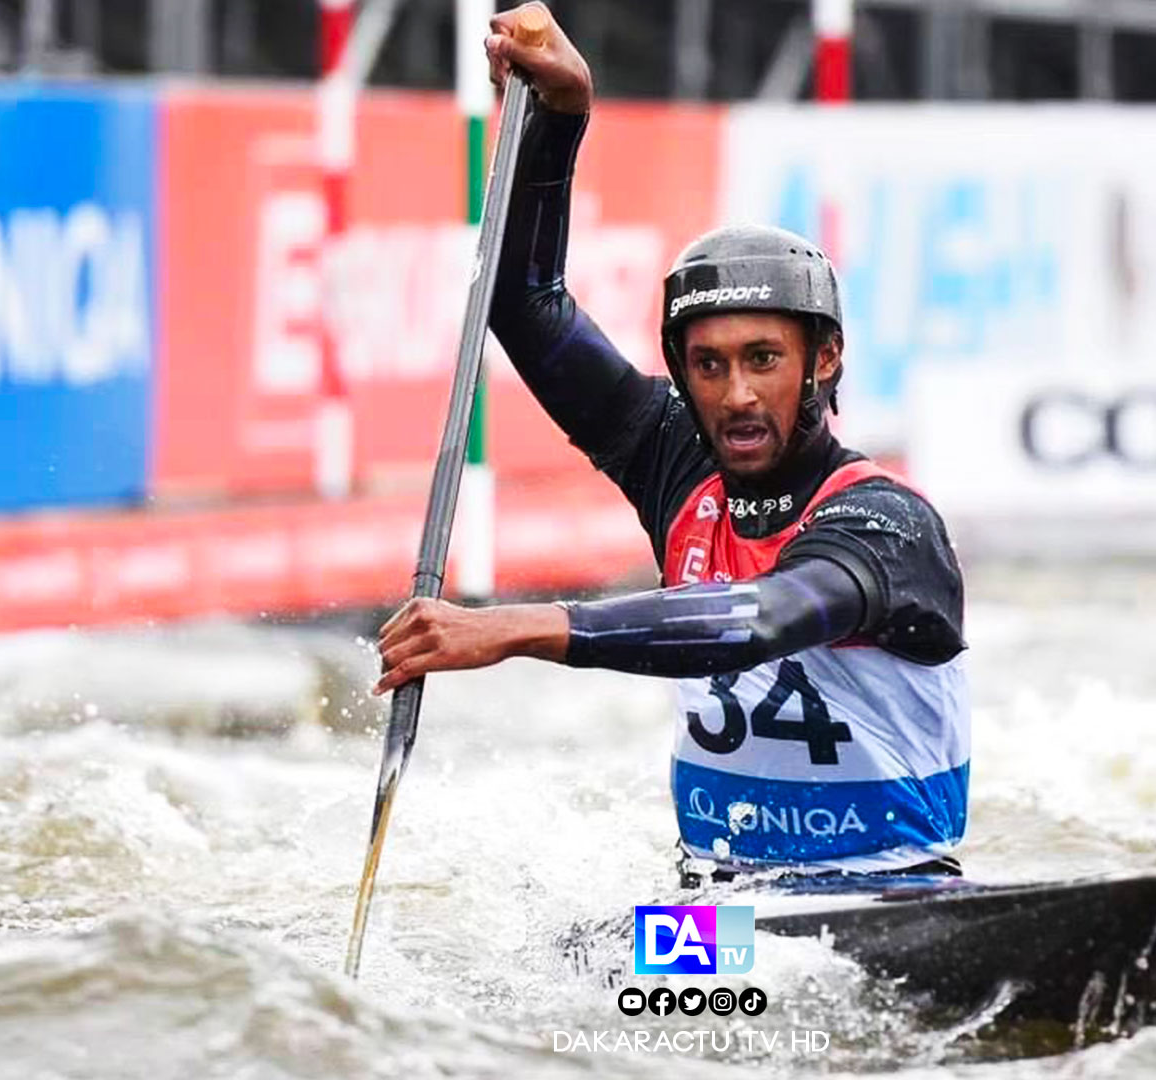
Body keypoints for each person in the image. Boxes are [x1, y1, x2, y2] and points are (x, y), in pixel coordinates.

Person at [374, 2, 970, 883]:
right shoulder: (673, 458)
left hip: (894, 901)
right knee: (546, 995)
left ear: (825, 359)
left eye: (765, 359)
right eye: (709, 365)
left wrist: (515, 627)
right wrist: (559, 115)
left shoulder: (889, 523)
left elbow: (758, 619)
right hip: (713, 916)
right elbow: (524, 308)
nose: (736, 394)